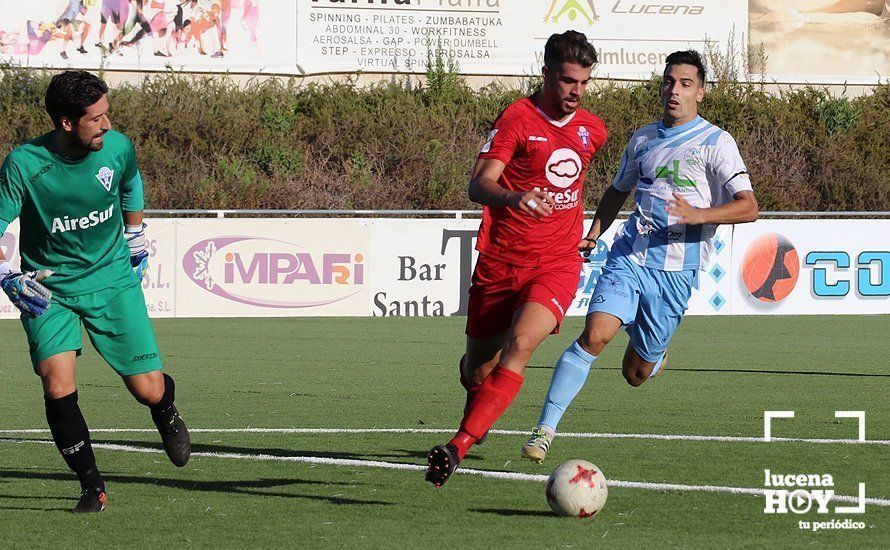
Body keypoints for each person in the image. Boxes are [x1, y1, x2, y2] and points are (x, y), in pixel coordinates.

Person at [520, 50, 759, 463]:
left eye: (685, 83)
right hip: (629, 255)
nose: (675, 90)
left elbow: (749, 206)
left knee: (635, 375)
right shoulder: (643, 138)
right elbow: (617, 191)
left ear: (700, 92)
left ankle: (654, 352)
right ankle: (545, 429)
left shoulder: (716, 142)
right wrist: (594, 235)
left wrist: (699, 215)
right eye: (669, 81)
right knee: (595, 335)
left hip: (676, 270)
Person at [0, 71, 190, 513]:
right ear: (67, 123)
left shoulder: (119, 147)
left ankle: (165, 411)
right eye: (97, 118)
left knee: (148, 390)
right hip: (51, 290)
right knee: (56, 383)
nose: (107, 125)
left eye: (108, 114)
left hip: (112, 280)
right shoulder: (24, 164)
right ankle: (92, 486)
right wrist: (7, 275)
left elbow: (130, 182)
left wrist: (136, 233)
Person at [424, 30, 608, 487]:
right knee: (479, 369)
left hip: (557, 262)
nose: (576, 92)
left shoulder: (593, 130)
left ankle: (455, 448)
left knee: (522, 345)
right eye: (568, 81)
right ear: (546, 74)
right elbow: (478, 184)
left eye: (584, 83)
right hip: (501, 262)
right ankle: (474, 395)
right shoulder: (517, 119)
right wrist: (515, 197)